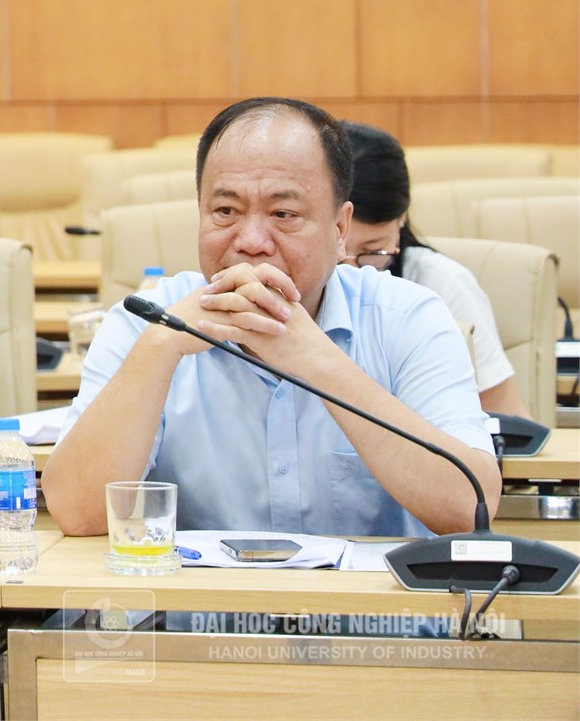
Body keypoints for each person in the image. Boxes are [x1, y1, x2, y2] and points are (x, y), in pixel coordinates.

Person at [42, 97, 497, 538]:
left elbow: (468, 509)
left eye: (284, 214)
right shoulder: (149, 322)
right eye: (225, 211)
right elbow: (78, 514)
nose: (252, 241)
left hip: (369, 595)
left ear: (340, 229)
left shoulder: (409, 318)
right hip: (197, 594)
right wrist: (160, 349)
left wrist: (314, 358)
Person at [342, 121, 528, 418]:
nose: (351, 271)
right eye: (336, 250)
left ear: (401, 219)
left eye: (372, 251)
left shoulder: (441, 284)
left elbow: (507, 421)